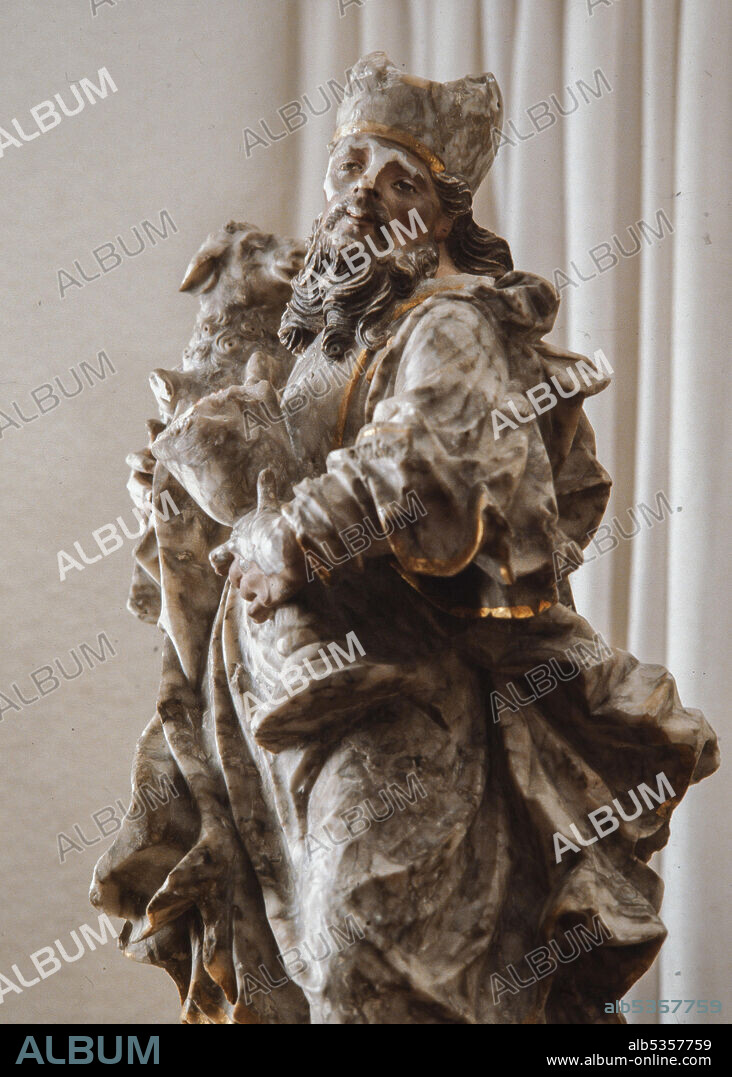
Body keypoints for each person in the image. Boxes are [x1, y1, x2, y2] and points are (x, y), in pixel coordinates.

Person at [92, 52, 718, 1025]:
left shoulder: (449, 328)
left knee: (362, 949)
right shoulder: (308, 342)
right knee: (288, 965)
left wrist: (288, 539)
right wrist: (178, 485)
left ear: (441, 214)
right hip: (267, 699)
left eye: (403, 184)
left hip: (400, 703)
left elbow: (421, 464)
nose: (367, 199)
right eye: (352, 171)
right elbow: (242, 469)